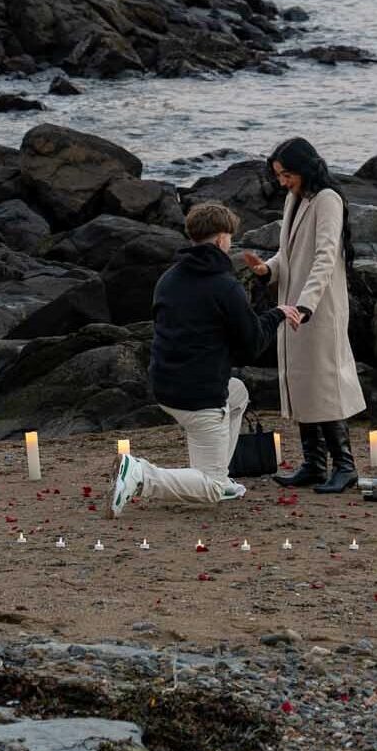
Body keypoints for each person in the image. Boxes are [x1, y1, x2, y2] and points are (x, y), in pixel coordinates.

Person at [111, 200, 301, 515]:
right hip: (199, 396)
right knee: (210, 489)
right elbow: (252, 344)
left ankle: (219, 476)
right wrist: (277, 313)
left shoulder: (168, 279)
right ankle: (140, 474)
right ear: (222, 239)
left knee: (237, 392)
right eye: (230, 238)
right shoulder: (225, 286)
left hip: (165, 385)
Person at [243, 136, 365, 494]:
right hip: (292, 307)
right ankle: (313, 464)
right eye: (279, 176)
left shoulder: (327, 200)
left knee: (324, 383)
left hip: (317, 309)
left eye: (287, 175)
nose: (282, 182)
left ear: (304, 168)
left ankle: (345, 466)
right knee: (302, 382)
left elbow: (326, 256)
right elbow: (289, 253)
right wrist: (267, 269)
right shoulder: (294, 199)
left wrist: (306, 304)